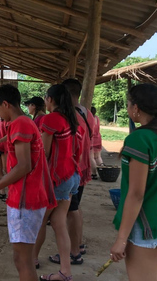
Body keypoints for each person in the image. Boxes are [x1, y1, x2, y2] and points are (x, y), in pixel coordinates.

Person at [0, 84, 56, 281]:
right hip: (25, 196)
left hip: (25, 199)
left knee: (23, 261)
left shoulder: (20, 124)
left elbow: (23, 166)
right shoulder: (23, 122)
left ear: (5, 104)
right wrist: (2, 141)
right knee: (21, 258)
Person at [110, 83, 157, 280]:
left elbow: (136, 193)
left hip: (146, 223)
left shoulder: (139, 139)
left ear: (136, 108)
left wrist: (121, 240)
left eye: (129, 104)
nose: (128, 108)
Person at [33, 84, 83, 281]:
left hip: (57, 179)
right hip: (71, 176)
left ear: (50, 99)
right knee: (58, 223)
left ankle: (32, 260)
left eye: (46, 97)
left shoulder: (51, 119)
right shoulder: (72, 119)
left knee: (39, 222)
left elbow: (43, 154)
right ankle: (65, 271)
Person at [59, 78, 94, 264]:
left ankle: (74, 253)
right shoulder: (85, 112)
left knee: (70, 210)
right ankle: (78, 245)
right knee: (75, 208)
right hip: (83, 166)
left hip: (73, 168)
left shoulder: (70, 115)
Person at [90, 106, 104, 180]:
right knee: (98, 156)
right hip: (98, 138)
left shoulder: (90, 119)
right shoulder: (97, 118)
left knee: (91, 157)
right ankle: (103, 169)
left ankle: (94, 173)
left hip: (92, 139)